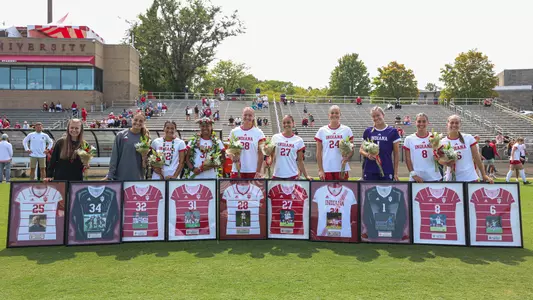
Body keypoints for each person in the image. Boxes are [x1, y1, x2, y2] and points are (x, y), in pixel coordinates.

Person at [439, 115, 492, 183]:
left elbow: (477, 157)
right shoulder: (443, 142)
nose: (454, 125)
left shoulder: (468, 138)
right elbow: (439, 160)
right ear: (447, 124)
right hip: (452, 179)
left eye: (457, 123)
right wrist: (447, 163)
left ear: (460, 124)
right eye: (452, 123)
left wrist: (483, 174)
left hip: (469, 177)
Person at [360, 106, 401, 181]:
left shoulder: (392, 131)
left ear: (383, 115)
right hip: (370, 169)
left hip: (387, 169)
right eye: (373, 116)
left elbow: (396, 154)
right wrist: (368, 155)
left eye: (378, 115)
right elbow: (361, 150)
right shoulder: (368, 131)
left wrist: (395, 173)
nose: (376, 118)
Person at [106, 113, 150, 181]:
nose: (138, 122)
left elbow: (147, 163)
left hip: (137, 178)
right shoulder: (121, 135)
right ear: (132, 120)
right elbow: (114, 156)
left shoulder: (145, 138)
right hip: (120, 177)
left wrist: (145, 160)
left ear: (144, 123)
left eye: (141, 121)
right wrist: (110, 174)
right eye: (135, 120)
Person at [315, 105, 354, 180]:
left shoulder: (346, 130)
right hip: (327, 168)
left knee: (342, 190)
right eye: (332, 113)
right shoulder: (322, 131)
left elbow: (351, 149)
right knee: (327, 191)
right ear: (328, 115)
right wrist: (320, 169)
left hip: (342, 168)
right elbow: (318, 153)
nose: (334, 115)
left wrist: (347, 157)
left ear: (340, 115)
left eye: (337, 113)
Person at [228, 107, 265, 178]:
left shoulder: (259, 133)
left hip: (252, 170)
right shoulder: (234, 132)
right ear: (242, 115)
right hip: (237, 170)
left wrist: (258, 171)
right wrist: (233, 158)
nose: (247, 117)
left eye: (250, 115)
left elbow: (261, 155)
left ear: (254, 117)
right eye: (245, 115)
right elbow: (229, 150)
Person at [270, 115, 312, 180]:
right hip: (277, 175)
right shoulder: (275, 137)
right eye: (284, 123)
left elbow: (300, 161)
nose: (286, 124)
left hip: (292, 175)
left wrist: (306, 176)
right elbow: (271, 157)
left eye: (288, 122)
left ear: (293, 123)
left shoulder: (299, 140)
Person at [403, 113, 442, 182]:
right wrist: (413, 175)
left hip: (433, 176)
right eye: (419, 121)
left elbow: (441, 156)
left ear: (428, 123)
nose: (421, 124)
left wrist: (438, 157)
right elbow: (408, 159)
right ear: (415, 122)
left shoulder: (434, 137)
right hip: (417, 176)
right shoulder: (409, 139)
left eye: (424, 121)